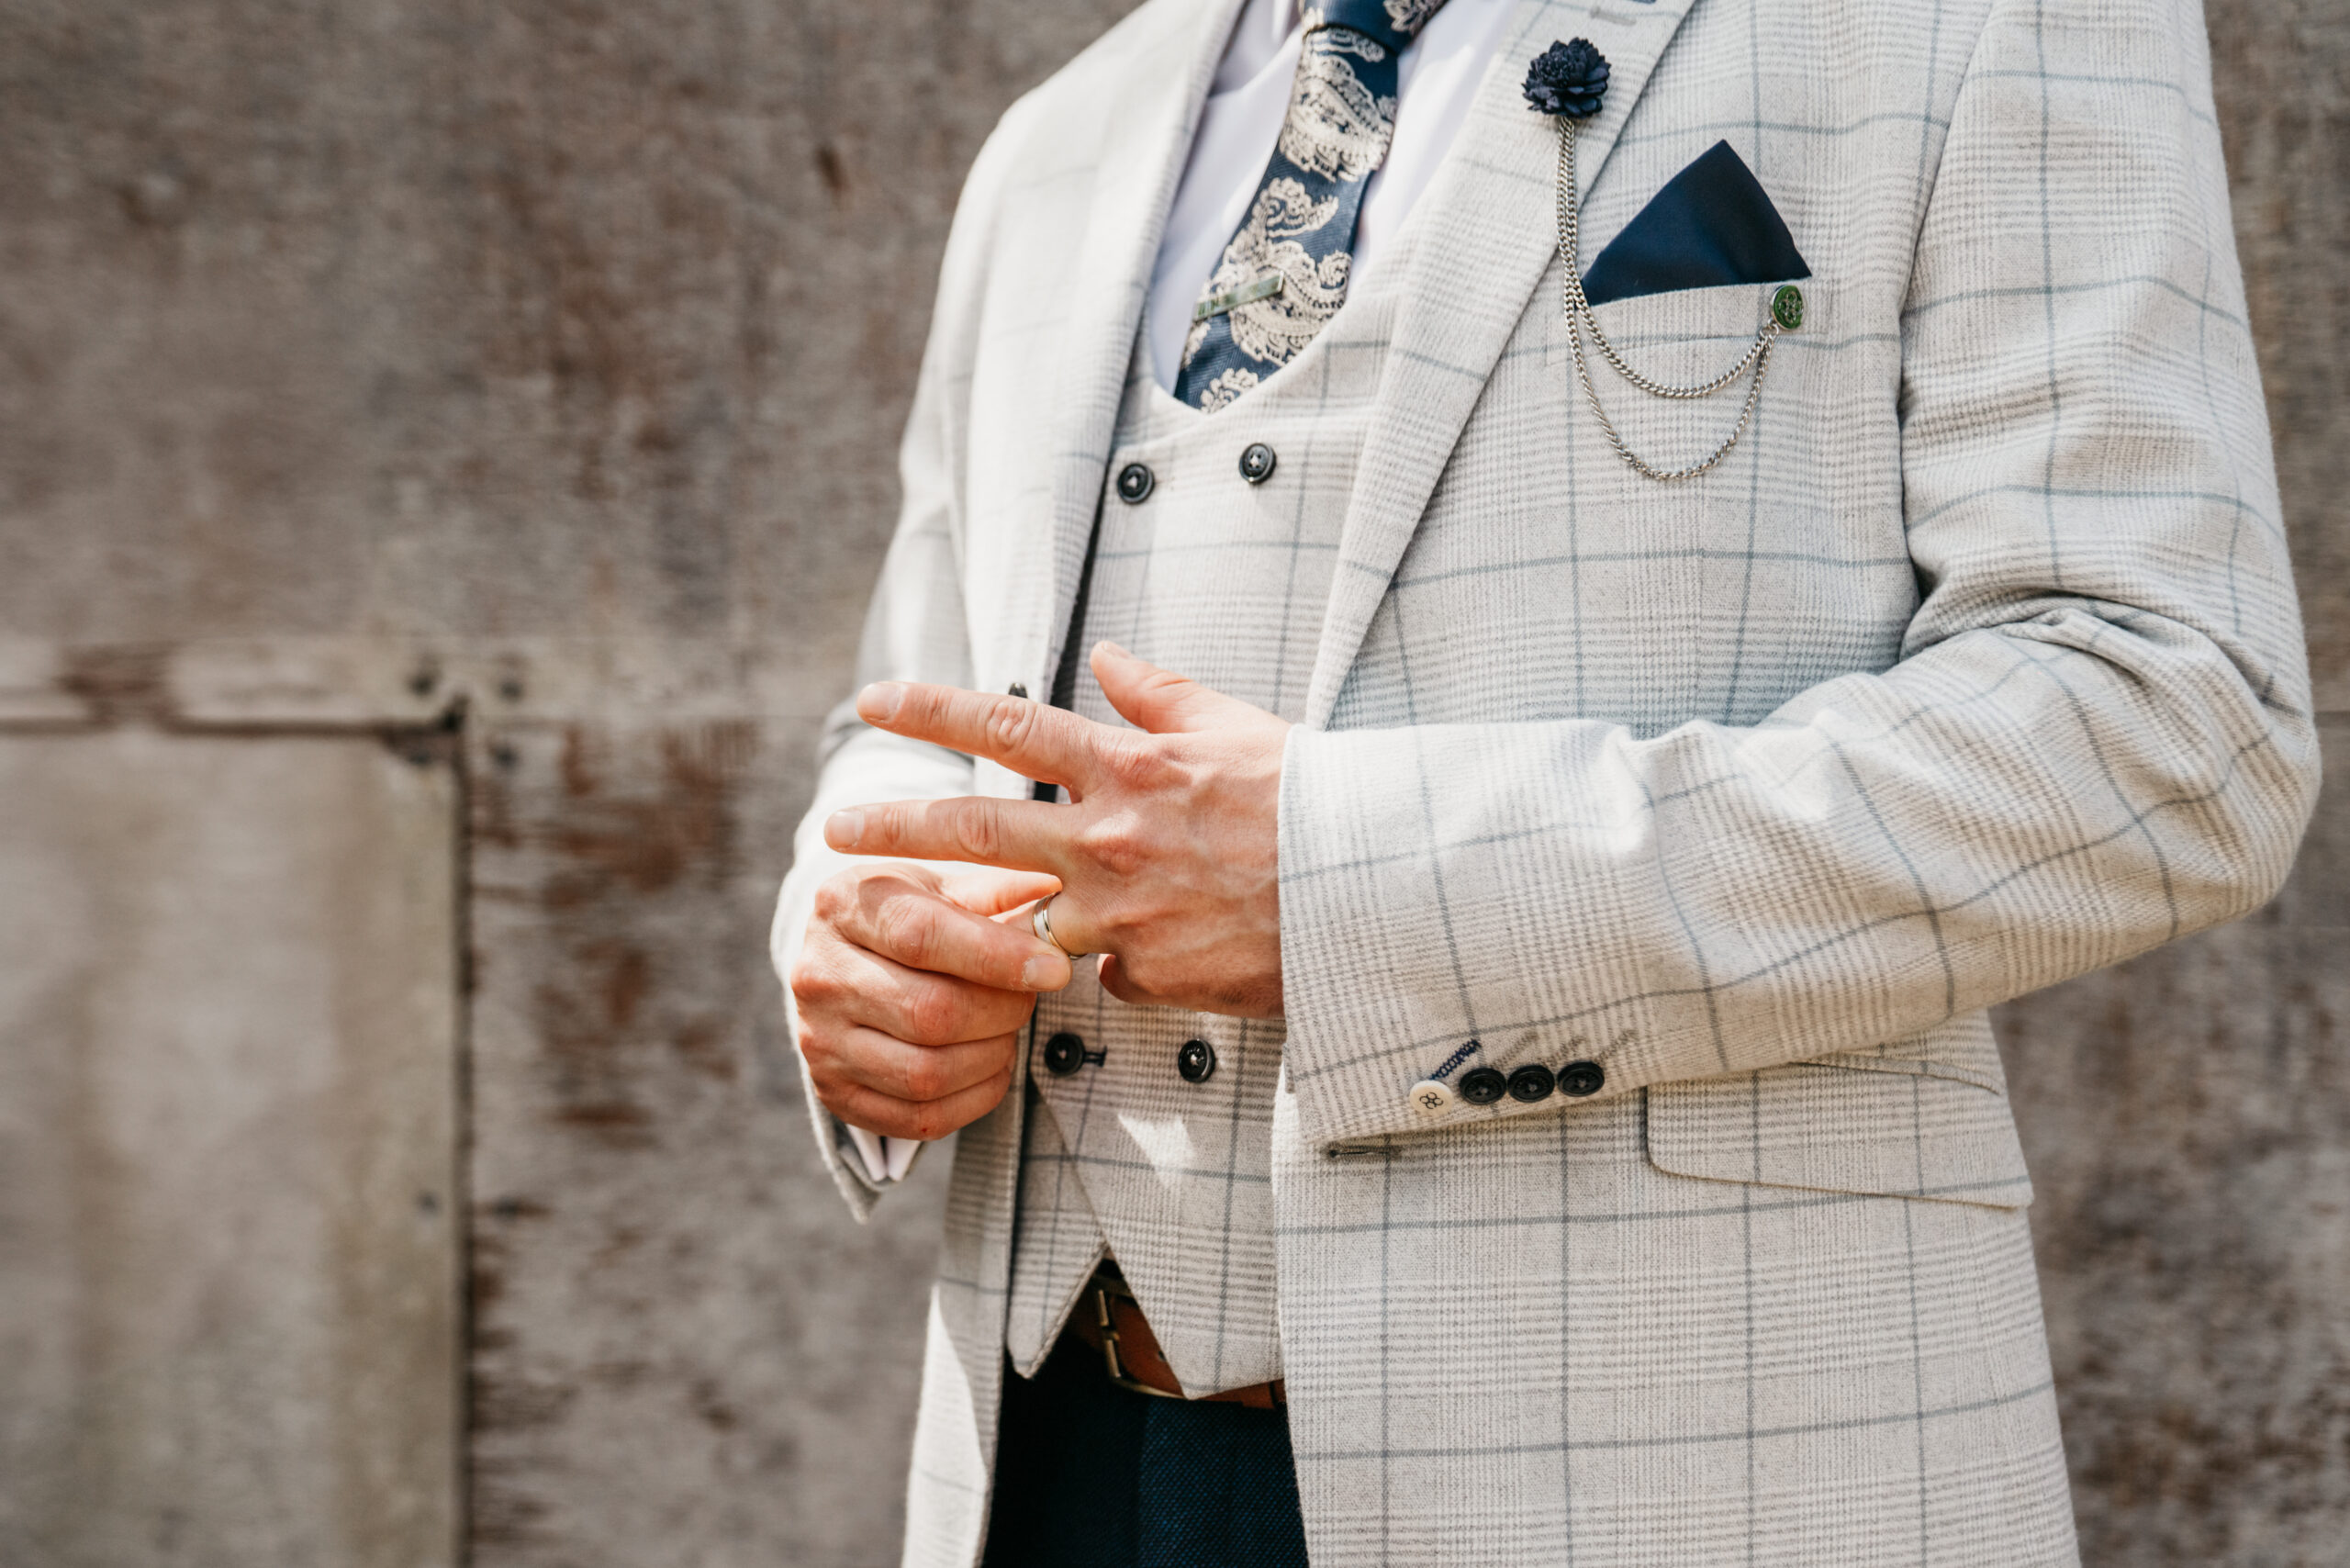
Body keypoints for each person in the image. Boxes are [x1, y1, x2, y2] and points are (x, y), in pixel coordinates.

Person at [771, 0, 2319, 1562]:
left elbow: (2172, 724)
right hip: (1057, 1464)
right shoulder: (1066, 131)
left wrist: (1352, 886)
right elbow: (917, 708)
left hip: (1688, 1476)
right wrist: (860, 931)